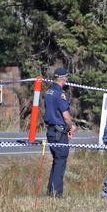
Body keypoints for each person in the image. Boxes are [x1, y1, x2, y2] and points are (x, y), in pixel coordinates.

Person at [43, 67, 77, 198]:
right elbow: (66, 115)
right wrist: (71, 126)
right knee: (61, 161)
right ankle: (56, 193)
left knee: (56, 161)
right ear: (64, 79)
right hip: (59, 132)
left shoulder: (49, 92)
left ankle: (51, 191)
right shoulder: (60, 94)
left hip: (51, 131)